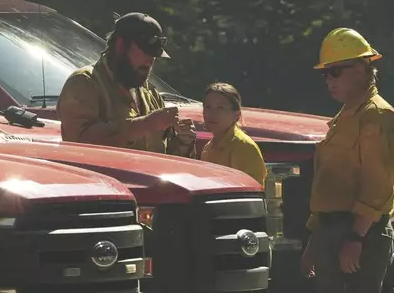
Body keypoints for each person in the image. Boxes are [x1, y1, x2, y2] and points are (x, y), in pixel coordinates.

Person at [300, 27, 394, 293]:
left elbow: (377, 185)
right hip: (335, 232)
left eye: (335, 72)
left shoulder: (378, 117)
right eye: (325, 73)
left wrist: (355, 238)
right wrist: (316, 237)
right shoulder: (346, 116)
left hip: (360, 235)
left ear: (361, 69)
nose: (328, 80)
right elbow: (329, 183)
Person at [57, 12, 196, 157]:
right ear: (120, 45)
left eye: (154, 56)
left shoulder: (149, 93)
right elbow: (78, 145)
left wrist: (184, 143)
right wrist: (145, 124)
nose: (149, 62)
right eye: (144, 52)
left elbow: (170, 160)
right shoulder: (84, 83)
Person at [200, 82, 267, 186]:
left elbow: (251, 192)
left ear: (236, 115)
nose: (212, 113)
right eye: (208, 107)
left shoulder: (243, 146)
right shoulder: (208, 148)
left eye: (220, 107)